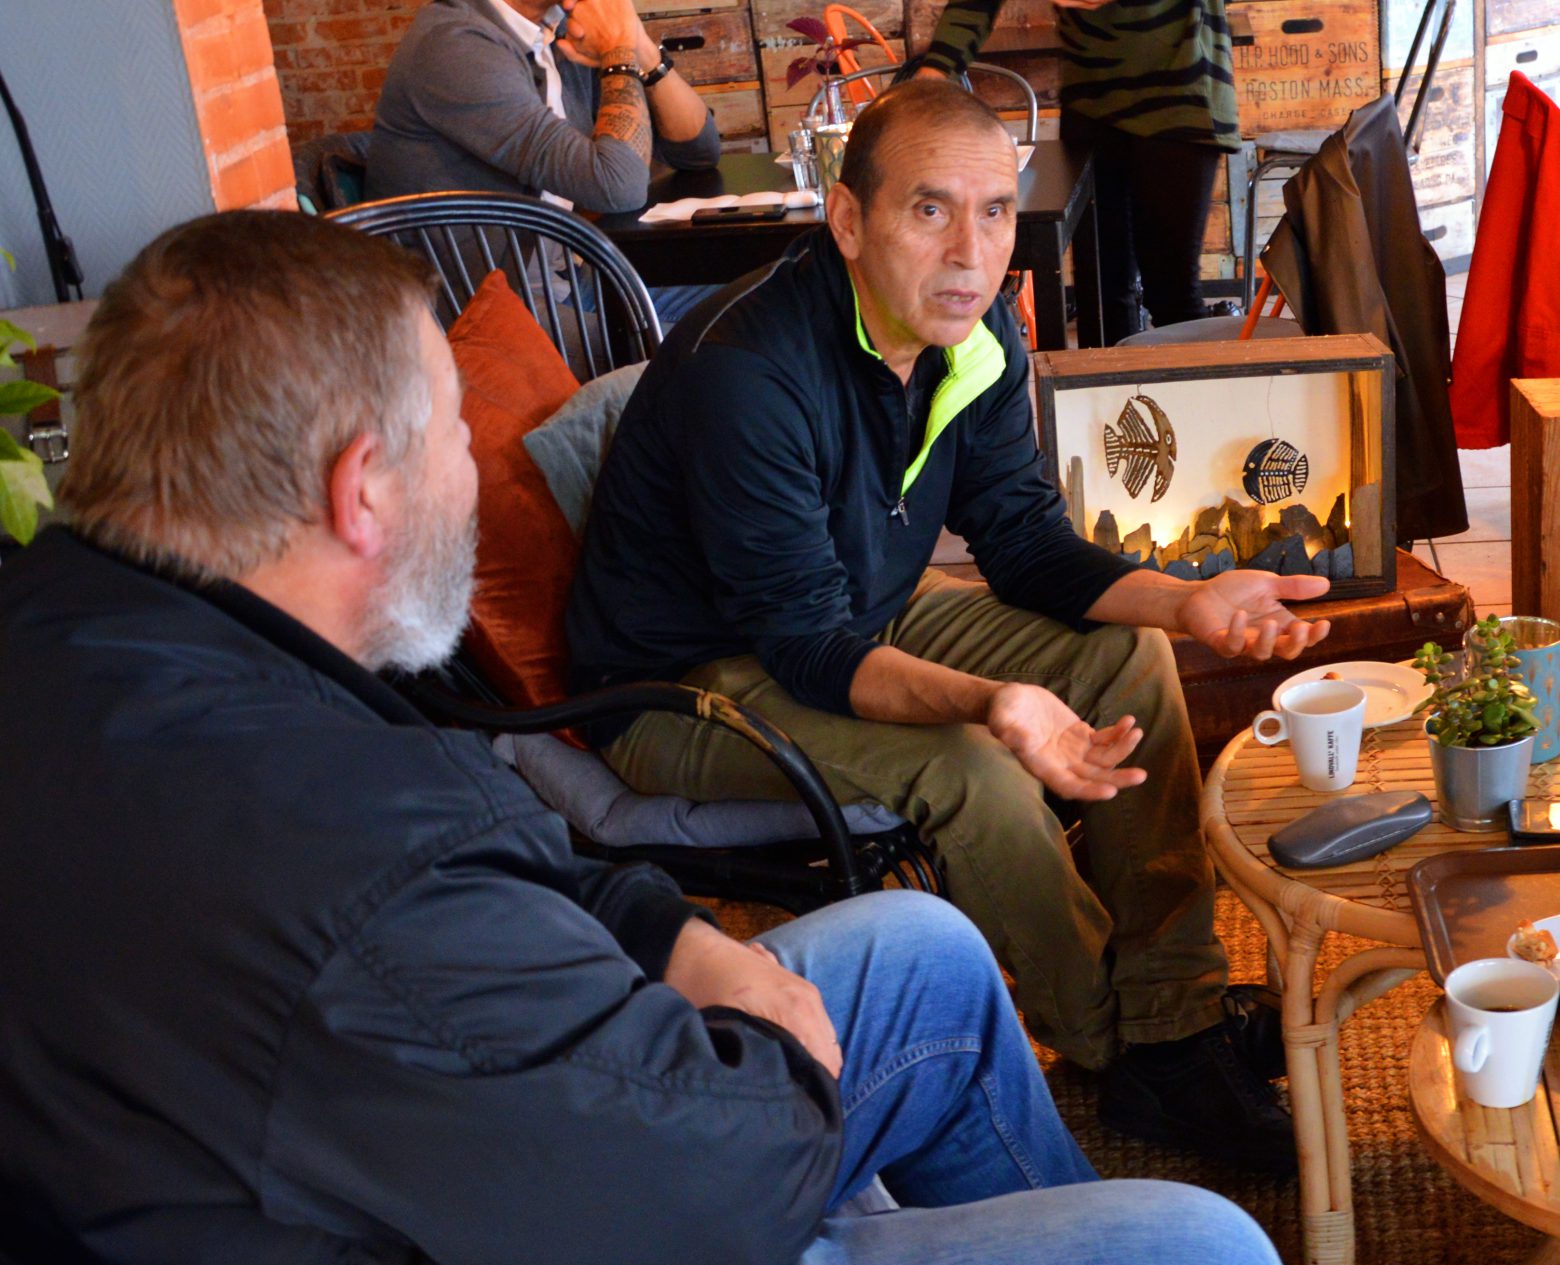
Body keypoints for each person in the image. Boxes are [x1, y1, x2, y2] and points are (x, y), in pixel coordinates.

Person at [0, 209, 1293, 1265]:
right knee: (1207, 1261)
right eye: (450, 436)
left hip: (422, 1164)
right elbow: (716, 1197)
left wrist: (669, 933)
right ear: (363, 491)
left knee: (925, 953)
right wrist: (770, 1045)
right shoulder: (339, 856)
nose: (471, 475)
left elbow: (476, 876)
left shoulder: (101, 643)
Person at [566, 78, 1328, 1174]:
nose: (970, 253)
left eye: (994, 211)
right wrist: (993, 701)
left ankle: (1174, 1015)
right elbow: (807, 650)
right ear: (847, 219)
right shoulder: (751, 373)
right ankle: (1121, 1048)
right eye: (929, 210)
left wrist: (1183, 601)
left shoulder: (976, 334)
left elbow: (1022, 543)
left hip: (854, 614)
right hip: (684, 678)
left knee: (1128, 655)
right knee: (971, 766)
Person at [914, 0, 1235, 342]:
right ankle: (1112, 379)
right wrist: (936, 71)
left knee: (1172, 292)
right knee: (1100, 294)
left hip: (1181, 90)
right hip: (1091, 98)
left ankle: (1194, 379)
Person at [369, 0, 720, 214]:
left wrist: (637, 44)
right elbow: (618, 188)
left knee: (743, 283)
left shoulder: (560, 30)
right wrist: (618, 49)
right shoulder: (455, 45)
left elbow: (698, 152)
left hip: (567, 277)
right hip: (493, 302)